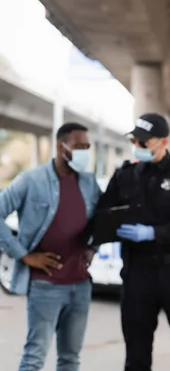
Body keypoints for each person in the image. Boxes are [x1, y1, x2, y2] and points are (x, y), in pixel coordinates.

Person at [97, 113, 170, 371]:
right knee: (136, 351)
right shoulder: (124, 175)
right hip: (138, 271)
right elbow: (103, 215)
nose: (138, 146)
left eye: (144, 142)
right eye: (135, 140)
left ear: (163, 142)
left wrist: (153, 233)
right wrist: (109, 229)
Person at [0, 122, 101, 371]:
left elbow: (101, 221)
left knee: (70, 359)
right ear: (61, 146)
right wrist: (24, 255)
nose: (84, 152)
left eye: (87, 146)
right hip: (45, 285)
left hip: (80, 285)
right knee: (34, 357)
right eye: (79, 146)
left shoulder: (89, 183)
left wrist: (93, 247)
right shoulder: (30, 180)